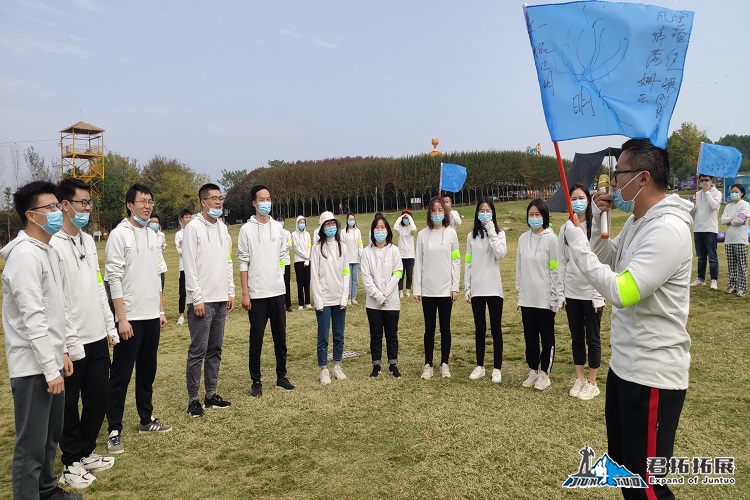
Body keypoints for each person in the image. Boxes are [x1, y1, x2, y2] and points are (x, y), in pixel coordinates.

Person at [560, 138, 693, 500]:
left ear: (643, 178)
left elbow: (623, 290)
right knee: (626, 473)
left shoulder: (667, 230)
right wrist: (593, 225)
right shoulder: (639, 221)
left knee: (647, 484)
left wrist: (575, 243)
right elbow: (610, 258)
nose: (612, 183)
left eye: (618, 174)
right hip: (626, 368)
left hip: (652, 375)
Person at [2, 181, 85, 500]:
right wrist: (49, 369)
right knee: (31, 443)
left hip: (50, 361)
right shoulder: (24, 256)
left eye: (58, 206)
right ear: (31, 216)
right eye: (49, 208)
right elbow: (33, 319)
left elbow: (55, 311)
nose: (57, 212)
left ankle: (48, 491)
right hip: (32, 367)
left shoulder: (46, 250)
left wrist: (62, 351)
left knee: (51, 435)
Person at [51, 178, 118, 488]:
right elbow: (57, 300)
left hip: (96, 337)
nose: (88, 208)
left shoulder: (89, 241)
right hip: (71, 341)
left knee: (98, 399)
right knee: (69, 405)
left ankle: (87, 452)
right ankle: (70, 462)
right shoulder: (54, 245)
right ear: (65, 205)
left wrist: (109, 327)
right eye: (82, 203)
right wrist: (67, 343)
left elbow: (98, 286)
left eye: (89, 203)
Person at [105, 184, 171, 456]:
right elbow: (113, 278)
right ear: (129, 204)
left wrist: (161, 310)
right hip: (129, 318)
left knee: (147, 371)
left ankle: (146, 419)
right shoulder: (120, 235)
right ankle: (114, 430)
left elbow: (157, 275)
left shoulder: (153, 236)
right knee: (120, 375)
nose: (147, 206)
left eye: (150, 202)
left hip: (150, 316)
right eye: (142, 201)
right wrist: (121, 319)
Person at [183, 184, 235, 418]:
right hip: (202, 301)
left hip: (221, 297)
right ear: (203, 202)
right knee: (198, 350)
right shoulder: (193, 228)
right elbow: (190, 266)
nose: (218, 202)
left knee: (215, 348)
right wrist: (197, 298)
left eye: (220, 198)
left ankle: (211, 394)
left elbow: (228, 261)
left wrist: (230, 291)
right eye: (213, 198)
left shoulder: (223, 229)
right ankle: (193, 399)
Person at [237, 185, 295, 397]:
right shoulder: (246, 230)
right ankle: (256, 380)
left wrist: (278, 278)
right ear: (254, 203)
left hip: (277, 292)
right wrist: (245, 292)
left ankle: (281, 376)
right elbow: (243, 262)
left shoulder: (278, 228)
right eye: (262, 199)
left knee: (280, 337)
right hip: (257, 294)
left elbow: (283, 256)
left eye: (268, 198)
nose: (266, 203)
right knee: (257, 339)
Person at [557, 184, 604, 401]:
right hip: (573, 292)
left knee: (592, 338)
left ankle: (592, 381)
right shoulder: (566, 228)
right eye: (573, 198)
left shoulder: (596, 227)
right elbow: (562, 261)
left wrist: (597, 294)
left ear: (588, 199)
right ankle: (579, 378)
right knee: (577, 337)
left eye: (581, 197)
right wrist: (562, 292)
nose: (577, 202)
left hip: (592, 292)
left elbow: (599, 261)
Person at [413, 197, 460, 380]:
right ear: (429, 213)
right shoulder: (423, 235)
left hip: (446, 290)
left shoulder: (451, 234)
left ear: (445, 213)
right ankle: (428, 364)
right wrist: (417, 288)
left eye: (441, 210)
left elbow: (455, 260)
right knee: (429, 329)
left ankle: (444, 364)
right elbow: (419, 262)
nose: (437, 214)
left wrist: (455, 287)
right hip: (428, 290)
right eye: (434, 210)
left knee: (445, 329)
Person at [516, 198, 559, 391]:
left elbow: (555, 270)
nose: (534, 218)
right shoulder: (523, 239)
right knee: (530, 336)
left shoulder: (551, 239)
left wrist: (555, 297)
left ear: (544, 216)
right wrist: (520, 293)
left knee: (546, 337)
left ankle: (544, 373)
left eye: (537, 215)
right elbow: (519, 268)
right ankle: (533, 370)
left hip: (545, 298)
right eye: (531, 215)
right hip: (527, 298)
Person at [464, 198, 507, 383]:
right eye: (481, 210)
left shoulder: (499, 233)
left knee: (496, 329)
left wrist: (491, 231)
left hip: (494, 289)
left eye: (488, 210)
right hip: (477, 289)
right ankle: (480, 365)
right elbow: (468, 262)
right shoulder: (470, 236)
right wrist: (467, 287)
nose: (485, 213)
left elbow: (500, 254)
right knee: (479, 328)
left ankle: (497, 368)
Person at [360, 213, 403, 378]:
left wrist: (385, 294)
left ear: (387, 230)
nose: (380, 231)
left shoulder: (394, 251)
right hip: (373, 303)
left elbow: (397, 273)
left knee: (392, 335)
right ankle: (376, 365)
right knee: (376, 335)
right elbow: (366, 277)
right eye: (377, 228)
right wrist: (378, 296)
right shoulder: (366, 252)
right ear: (372, 231)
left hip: (391, 301)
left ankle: (393, 364)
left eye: (382, 227)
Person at [311, 211, 350, 385]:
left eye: (333, 224)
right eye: (327, 224)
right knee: (323, 335)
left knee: (339, 334)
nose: (331, 227)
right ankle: (323, 369)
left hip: (339, 299)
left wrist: (344, 297)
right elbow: (314, 276)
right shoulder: (317, 248)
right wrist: (319, 301)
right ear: (321, 228)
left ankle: (337, 365)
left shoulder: (343, 246)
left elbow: (346, 273)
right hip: (324, 300)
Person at [690, 173, 722, 289]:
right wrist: (692, 205)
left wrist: (707, 192)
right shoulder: (697, 194)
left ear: (711, 180)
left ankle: (714, 279)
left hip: (710, 228)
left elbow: (714, 206)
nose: (704, 182)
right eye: (702, 180)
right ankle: (700, 278)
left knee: (712, 256)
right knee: (701, 256)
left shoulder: (717, 193)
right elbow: (692, 212)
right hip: (698, 228)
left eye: (707, 180)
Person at [721, 184, 750, 297]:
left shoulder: (745, 205)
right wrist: (731, 218)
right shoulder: (728, 206)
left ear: (741, 193)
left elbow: (741, 220)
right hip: (729, 239)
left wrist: (730, 221)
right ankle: (732, 285)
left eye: (736, 191)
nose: (733, 193)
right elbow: (722, 220)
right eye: (732, 191)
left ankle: (742, 287)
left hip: (740, 239)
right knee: (731, 265)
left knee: (742, 265)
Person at [175, 208, 194, 326]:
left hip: (195, 266)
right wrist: (188, 245)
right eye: (186, 217)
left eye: (190, 217)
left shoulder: (195, 231)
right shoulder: (178, 234)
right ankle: (181, 314)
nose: (188, 219)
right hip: (183, 267)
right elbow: (180, 251)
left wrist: (185, 243)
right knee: (182, 292)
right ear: (182, 219)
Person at [394, 209, 417, 298]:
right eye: (404, 218)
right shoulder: (400, 229)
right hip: (401, 255)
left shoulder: (412, 229)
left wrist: (409, 217)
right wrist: (401, 217)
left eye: (407, 218)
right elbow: (395, 227)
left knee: (409, 275)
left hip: (410, 255)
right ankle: (400, 291)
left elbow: (414, 228)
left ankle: (408, 290)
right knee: (401, 275)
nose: (405, 219)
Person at [341, 213, 363, 305]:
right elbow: (341, 245)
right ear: (347, 220)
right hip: (347, 260)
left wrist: (361, 254)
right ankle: (348, 297)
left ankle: (353, 297)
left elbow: (360, 243)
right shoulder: (343, 232)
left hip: (356, 259)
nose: (351, 221)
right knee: (347, 280)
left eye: (353, 219)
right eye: (350, 219)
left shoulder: (357, 231)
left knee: (355, 280)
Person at [291, 216, 312, 310]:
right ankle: (301, 303)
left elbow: (309, 246)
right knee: (300, 282)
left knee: (307, 282)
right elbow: (296, 248)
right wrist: (305, 256)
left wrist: (307, 258)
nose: (302, 224)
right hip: (298, 260)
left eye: (303, 222)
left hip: (307, 260)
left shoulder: (307, 234)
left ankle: (308, 301)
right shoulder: (294, 234)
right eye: (300, 222)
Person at [276, 216, 293, 312]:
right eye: (278, 220)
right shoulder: (274, 233)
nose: (280, 222)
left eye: (281, 220)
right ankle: (280, 304)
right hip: (277, 262)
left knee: (287, 283)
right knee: (279, 283)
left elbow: (289, 244)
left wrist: (281, 246)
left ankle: (288, 304)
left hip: (286, 261)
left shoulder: (287, 233)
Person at [149, 214, 168, 291]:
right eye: (152, 222)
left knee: (161, 285)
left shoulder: (161, 235)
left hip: (159, 262)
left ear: (159, 224)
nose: (154, 223)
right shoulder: (145, 234)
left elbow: (164, 244)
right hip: (149, 264)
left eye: (156, 222)